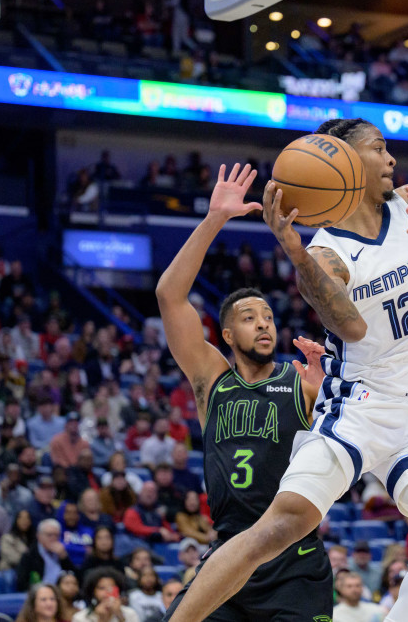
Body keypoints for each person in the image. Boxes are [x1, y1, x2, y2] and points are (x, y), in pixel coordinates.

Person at [166, 125, 408, 622]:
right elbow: (352, 329)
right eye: (378, 149)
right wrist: (293, 250)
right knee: (277, 528)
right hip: (358, 408)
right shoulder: (324, 252)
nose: (392, 159)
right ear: (345, 162)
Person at [156, 163, 331, 622]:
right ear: (227, 335)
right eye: (250, 318)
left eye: (269, 317)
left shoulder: (301, 380)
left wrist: (324, 393)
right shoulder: (211, 380)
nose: (264, 324)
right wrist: (214, 219)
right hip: (229, 557)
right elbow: (170, 297)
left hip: (293, 563)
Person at [15, 519, 74, 590]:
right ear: (39, 536)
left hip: (61, 592)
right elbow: (22, 583)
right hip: (39, 593)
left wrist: (64, 558)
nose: (53, 538)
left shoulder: (62, 553)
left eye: (56, 535)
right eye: (49, 535)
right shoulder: (30, 555)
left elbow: (75, 577)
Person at [72, 569, 139, 622]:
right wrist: (102, 620)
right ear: (93, 592)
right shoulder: (80, 618)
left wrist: (120, 616)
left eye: (112, 587)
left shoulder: (130, 613)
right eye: (102, 588)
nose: (108, 591)